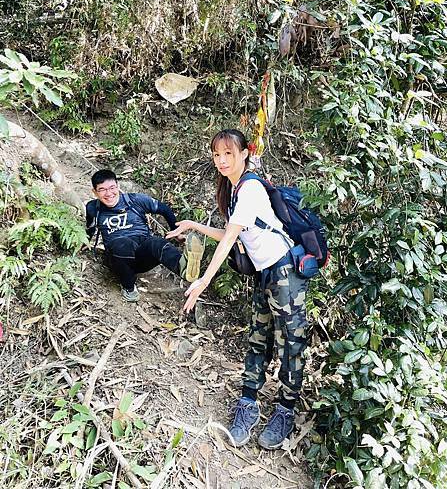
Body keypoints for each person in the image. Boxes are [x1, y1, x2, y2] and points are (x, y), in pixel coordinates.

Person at [166, 129, 309, 450]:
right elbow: (233, 233)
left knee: (291, 341)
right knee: (258, 338)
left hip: (285, 271)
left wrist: (204, 280)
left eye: (228, 153)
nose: (221, 160)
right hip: (264, 274)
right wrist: (193, 226)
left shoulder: (251, 188)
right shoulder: (234, 190)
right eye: (217, 154)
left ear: (244, 154)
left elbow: (231, 238)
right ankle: (248, 404)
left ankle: (286, 409)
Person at [86, 169, 204, 302]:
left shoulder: (134, 200)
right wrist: (85, 242)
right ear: (95, 192)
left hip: (141, 255)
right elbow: (89, 228)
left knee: (156, 242)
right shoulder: (92, 208)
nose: (109, 193)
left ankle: (182, 267)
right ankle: (129, 288)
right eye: (102, 189)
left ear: (118, 186)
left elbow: (163, 209)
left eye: (112, 187)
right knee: (123, 244)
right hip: (117, 258)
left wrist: (176, 231)